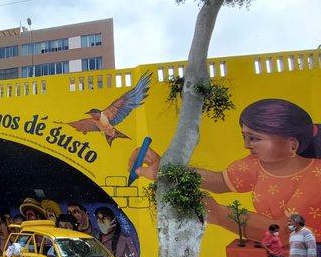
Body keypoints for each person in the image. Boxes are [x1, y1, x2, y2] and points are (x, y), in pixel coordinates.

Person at [129, 99, 321, 244]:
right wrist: (167, 169)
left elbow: (285, 233)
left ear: (292, 144)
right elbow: (220, 181)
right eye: (245, 136)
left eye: (254, 138)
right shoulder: (257, 164)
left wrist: (218, 213)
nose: (246, 145)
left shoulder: (315, 178)